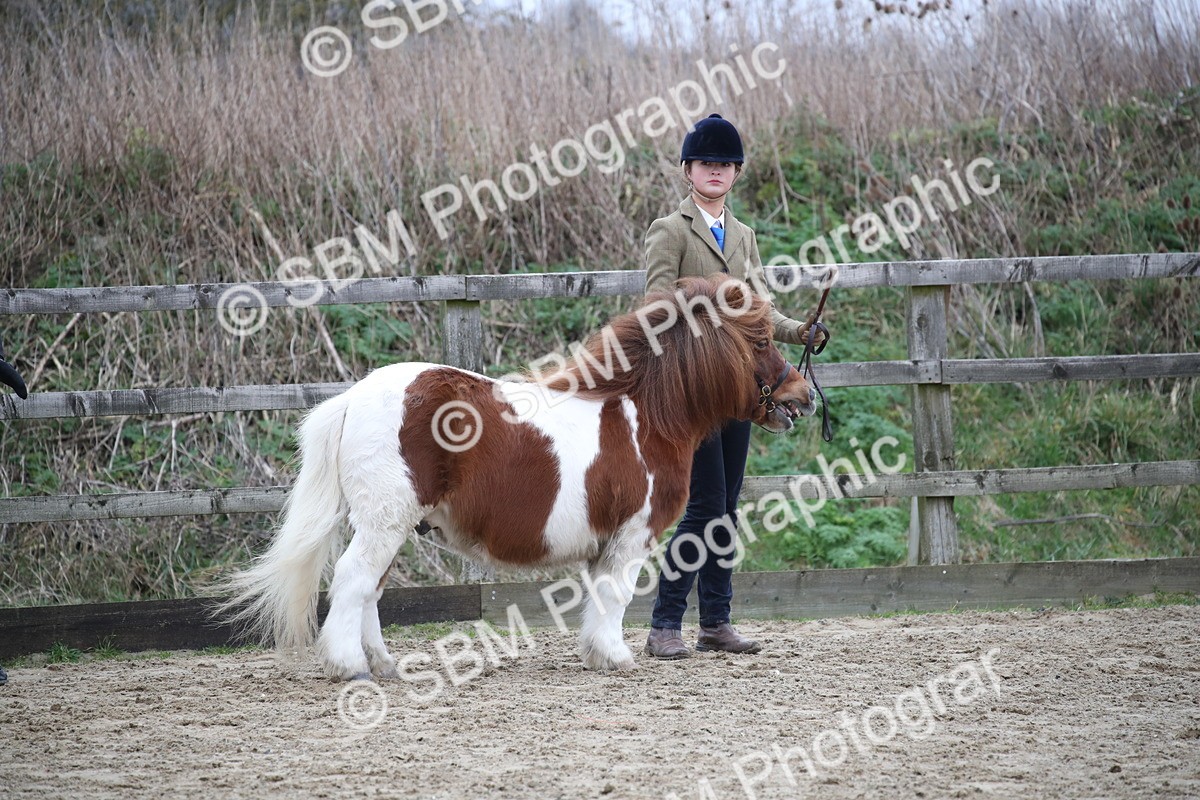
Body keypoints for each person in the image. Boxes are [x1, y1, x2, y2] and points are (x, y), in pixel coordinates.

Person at [643, 113, 822, 659]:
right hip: (691, 392)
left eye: (724, 164)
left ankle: (715, 622)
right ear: (688, 171)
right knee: (702, 506)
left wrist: (801, 333)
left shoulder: (743, 235)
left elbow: (760, 312)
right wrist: (708, 319)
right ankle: (665, 622)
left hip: (739, 395)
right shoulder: (670, 230)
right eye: (705, 164)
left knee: (727, 507)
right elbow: (655, 308)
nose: (715, 171)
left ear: (736, 173)